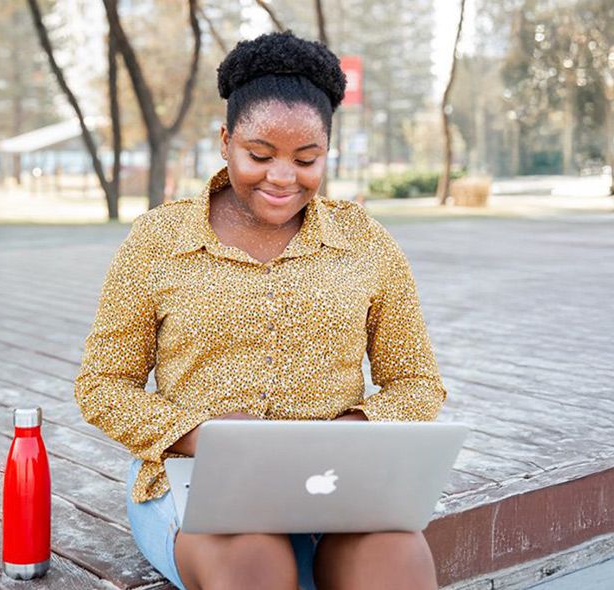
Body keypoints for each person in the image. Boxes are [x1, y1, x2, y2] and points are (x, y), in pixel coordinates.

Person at [75, 31, 447, 590]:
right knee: (255, 564)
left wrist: (355, 429)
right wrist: (200, 432)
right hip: (198, 482)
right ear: (226, 141)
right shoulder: (158, 239)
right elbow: (103, 385)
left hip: (334, 480)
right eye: (259, 155)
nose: (282, 178)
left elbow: (417, 382)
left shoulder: (365, 242)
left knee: (398, 562)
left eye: (306, 159)